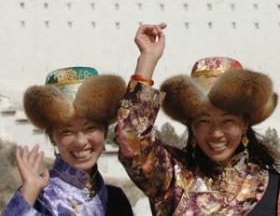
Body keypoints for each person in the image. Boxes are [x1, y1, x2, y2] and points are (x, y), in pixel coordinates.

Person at [115, 24, 280, 215]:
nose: (216, 133)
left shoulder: (274, 188)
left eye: (227, 121)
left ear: (244, 125)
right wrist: (147, 59)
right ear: (192, 127)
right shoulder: (173, 179)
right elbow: (131, 142)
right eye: (204, 121)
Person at [3, 66, 133, 216]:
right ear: (52, 137)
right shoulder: (38, 197)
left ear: (104, 131)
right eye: (67, 131)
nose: (80, 141)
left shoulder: (116, 200)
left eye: (90, 128)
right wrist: (28, 192)